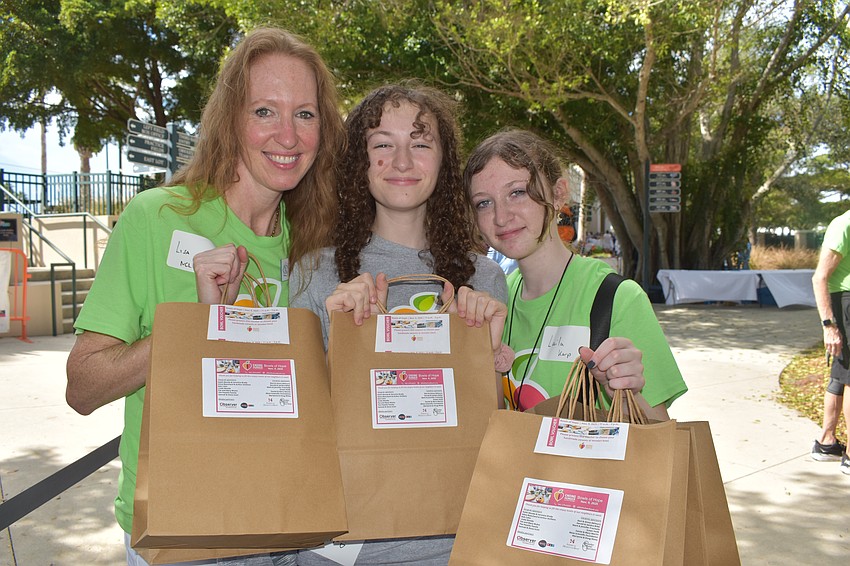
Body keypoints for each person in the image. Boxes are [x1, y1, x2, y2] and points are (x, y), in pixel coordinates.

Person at [65, 27, 344, 565]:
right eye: (265, 110)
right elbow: (84, 386)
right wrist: (196, 324)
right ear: (230, 120)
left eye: (305, 114)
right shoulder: (157, 218)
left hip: (287, 526)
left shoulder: (318, 249)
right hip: (180, 532)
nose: (287, 135)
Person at [289, 83, 507, 566]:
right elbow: (296, 426)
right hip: (344, 546)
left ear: (444, 161)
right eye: (382, 144)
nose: (403, 162)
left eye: (421, 142)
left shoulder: (485, 278)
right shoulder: (314, 271)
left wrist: (484, 354)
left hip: (456, 539)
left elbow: (489, 426)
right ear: (358, 163)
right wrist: (338, 335)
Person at [463, 129, 687, 420]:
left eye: (517, 193)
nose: (501, 217)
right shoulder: (494, 302)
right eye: (484, 202)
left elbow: (657, 436)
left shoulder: (617, 298)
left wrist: (625, 390)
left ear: (558, 194)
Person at [811, 210, 850, 472]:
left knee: (839, 376)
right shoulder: (845, 224)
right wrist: (829, 326)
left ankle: (826, 442)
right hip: (845, 303)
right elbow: (820, 277)